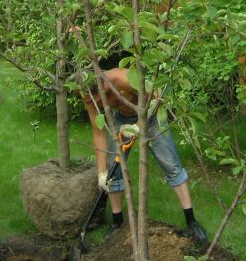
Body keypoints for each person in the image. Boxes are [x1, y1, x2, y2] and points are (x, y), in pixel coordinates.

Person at [80, 66, 208, 241]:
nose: (96, 105)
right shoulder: (87, 94)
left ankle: (191, 220)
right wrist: (102, 172)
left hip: (152, 115)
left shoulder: (125, 79)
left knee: (171, 165)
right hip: (122, 118)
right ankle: (117, 222)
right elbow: (99, 131)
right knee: (112, 171)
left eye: (96, 100)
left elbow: (157, 99)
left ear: (103, 87)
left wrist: (139, 127)